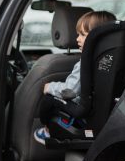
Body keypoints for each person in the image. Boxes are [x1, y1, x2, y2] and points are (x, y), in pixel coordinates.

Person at [34, 10, 117, 145]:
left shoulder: (86, 62)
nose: (77, 39)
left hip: (83, 111)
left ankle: (47, 130)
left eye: (82, 35)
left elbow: (70, 90)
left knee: (47, 100)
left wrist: (50, 87)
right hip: (104, 111)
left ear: (98, 38)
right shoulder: (110, 60)